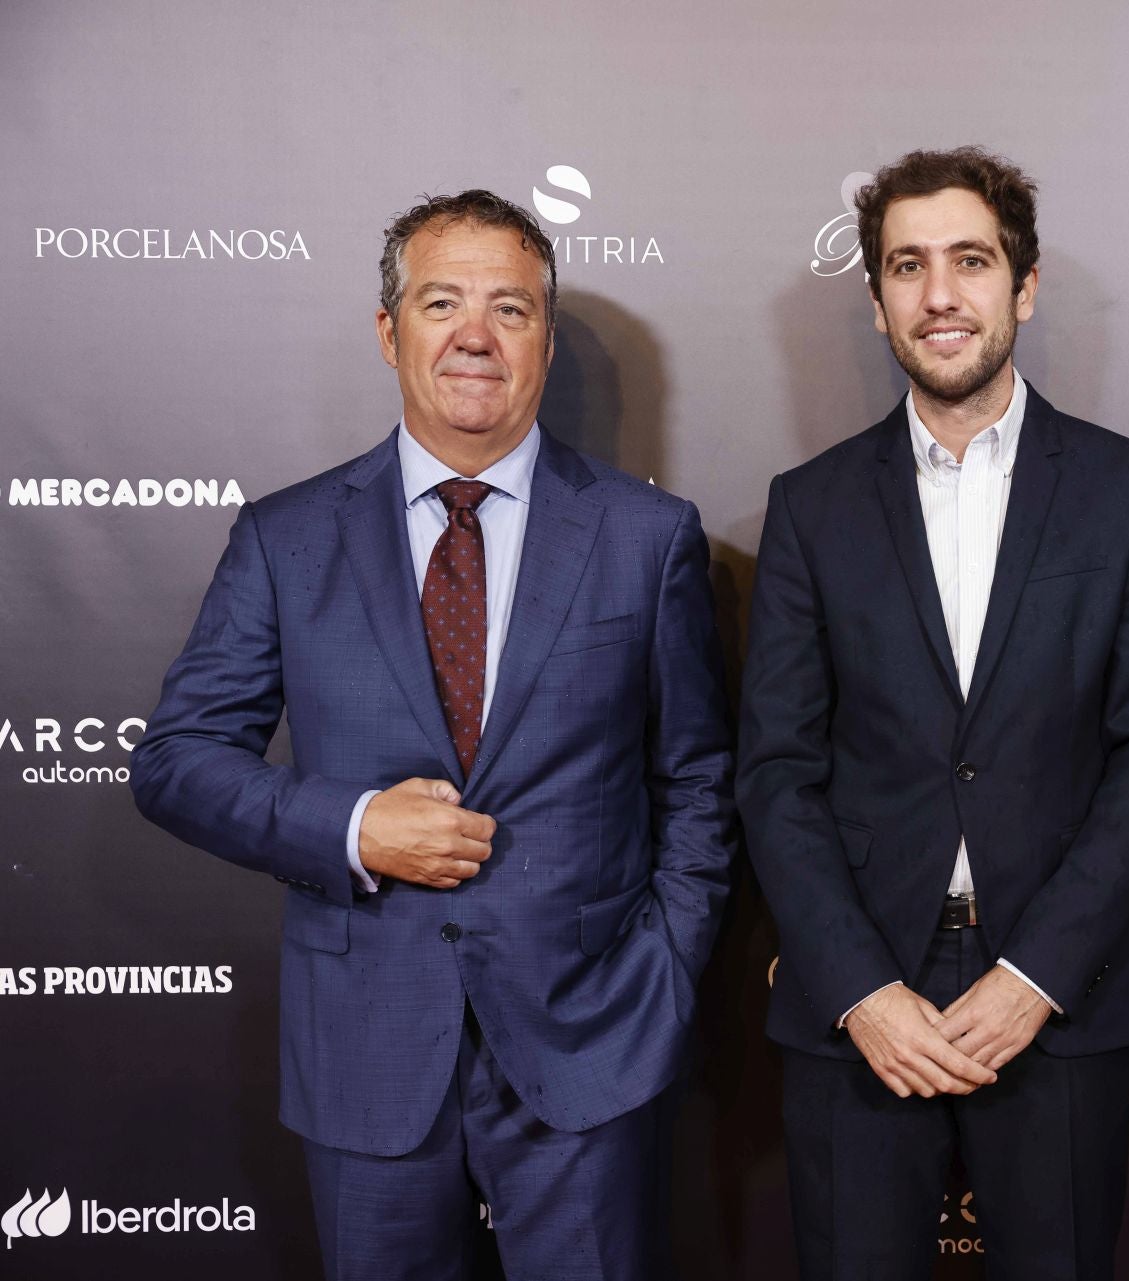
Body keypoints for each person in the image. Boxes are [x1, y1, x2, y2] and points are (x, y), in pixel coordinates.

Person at [130, 189, 733, 1280]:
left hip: (591, 1040)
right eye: (441, 300)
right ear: (388, 330)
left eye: (510, 308)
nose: (473, 334)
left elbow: (695, 780)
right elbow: (174, 762)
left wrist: (664, 977)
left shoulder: (648, 538)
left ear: (545, 340)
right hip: (366, 1042)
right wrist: (355, 828)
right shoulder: (287, 536)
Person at [737, 147, 1129, 1280]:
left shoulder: (1128, 492)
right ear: (880, 299)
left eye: (971, 261)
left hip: (1060, 997)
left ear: (1022, 287)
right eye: (907, 266)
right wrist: (859, 990)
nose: (940, 294)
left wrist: (1032, 976)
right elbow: (775, 771)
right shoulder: (810, 508)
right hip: (862, 1006)